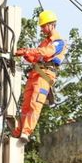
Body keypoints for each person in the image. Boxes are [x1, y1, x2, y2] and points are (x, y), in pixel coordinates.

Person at [12, 10, 67, 143]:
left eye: (44, 26)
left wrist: (29, 51)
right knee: (25, 105)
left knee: (34, 104)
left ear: (52, 25)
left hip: (45, 75)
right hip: (35, 74)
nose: (42, 29)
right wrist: (26, 54)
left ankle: (26, 131)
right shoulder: (44, 42)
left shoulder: (58, 41)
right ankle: (18, 131)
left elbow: (48, 53)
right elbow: (36, 57)